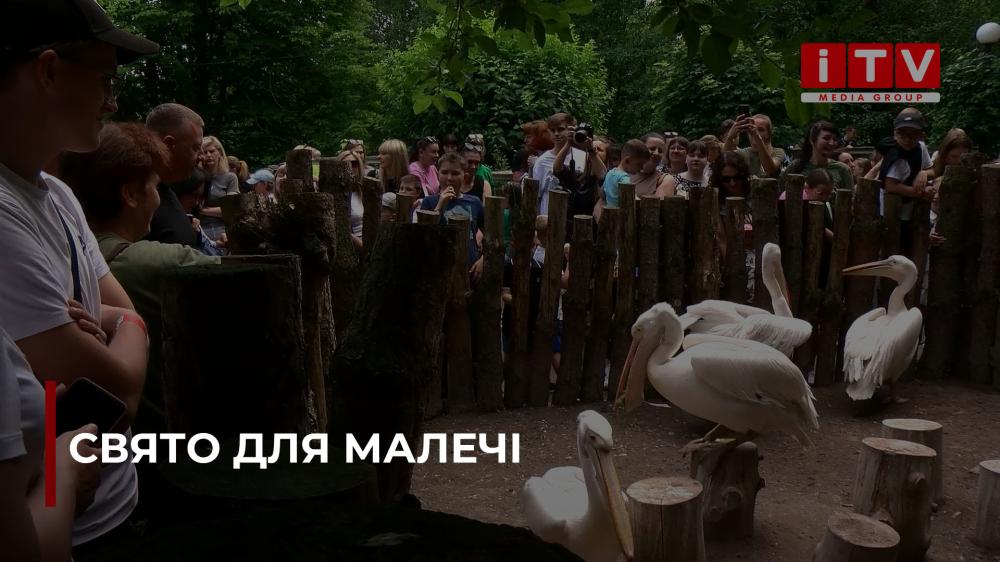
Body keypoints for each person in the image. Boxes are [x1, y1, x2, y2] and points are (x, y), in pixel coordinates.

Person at [0, 0, 157, 551]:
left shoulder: (59, 195)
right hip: (62, 532)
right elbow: (119, 392)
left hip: (114, 500)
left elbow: (126, 315)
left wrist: (120, 325)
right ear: (48, 72)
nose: (113, 103)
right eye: (106, 81)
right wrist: (122, 330)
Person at [60, 122, 221, 434]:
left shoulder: (60, 262)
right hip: (168, 439)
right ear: (131, 194)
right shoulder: (167, 262)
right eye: (155, 186)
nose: (158, 199)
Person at [144, 103, 205, 249]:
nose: (202, 156)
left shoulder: (165, 189)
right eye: (195, 148)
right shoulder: (135, 200)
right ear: (168, 145)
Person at [420, 152, 485, 271]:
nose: (449, 178)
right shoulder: (429, 202)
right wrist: (440, 205)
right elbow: (424, 236)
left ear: (464, 176)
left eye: (455, 173)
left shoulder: (475, 202)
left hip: (470, 267)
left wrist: (483, 259)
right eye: (444, 173)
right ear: (438, 174)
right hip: (439, 267)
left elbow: (491, 234)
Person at [785, 120, 855, 192]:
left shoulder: (843, 169)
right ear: (812, 140)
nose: (831, 143)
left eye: (834, 139)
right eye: (826, 138)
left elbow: (850, 197)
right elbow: (780, 193)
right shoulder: (795, 166)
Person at [198, 135, 239, 243]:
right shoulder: (196, 178)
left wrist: (202, 210)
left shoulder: (230, 178)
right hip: (200, 230)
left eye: (212, 151)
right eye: (205, 152)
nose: (208, 155)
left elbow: (231, 210)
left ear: (219, 153)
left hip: (223, 231)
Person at [723, 113, 786, 178]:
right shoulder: (744, 153)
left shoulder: (778, 152)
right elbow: (723, 160)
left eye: (760, 130)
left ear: (769, 133)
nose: (755, 132)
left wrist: (757, 137)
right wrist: (730, 137)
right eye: (752, 129)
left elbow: (770, 170)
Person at [601, 139, 649, 208]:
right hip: (622, 213)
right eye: (639, 164)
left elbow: (602, 193)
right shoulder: (624, 178)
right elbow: (633, 199)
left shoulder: (610, 173)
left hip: (610, 211)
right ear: (627, 160)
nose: (641, 168)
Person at [630, 133, 671, 197]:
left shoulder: (665, 179)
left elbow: (658, 203)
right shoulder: (624, 174)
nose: (656, 153)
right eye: (652, 149)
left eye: (660, 151)